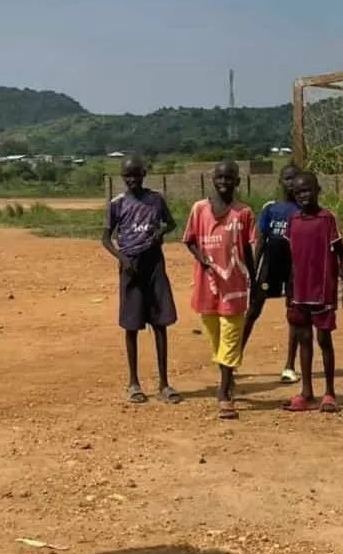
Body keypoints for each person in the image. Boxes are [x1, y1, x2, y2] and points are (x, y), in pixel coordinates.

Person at [101, 156, 180, 404]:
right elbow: (105, 238)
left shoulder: (156, 199)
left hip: (154, 264)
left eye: (136, 174)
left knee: (160, 323)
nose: (132, 179)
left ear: (144, 174)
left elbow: (172, 223)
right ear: (122, 177)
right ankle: (134, 383)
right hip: (131, 267)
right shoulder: (117, 204)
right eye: (127, 176)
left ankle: (164, 383)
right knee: (132, 325)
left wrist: (159, 233)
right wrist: (122, 259)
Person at [182, 160, 255, 419]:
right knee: (215, 338)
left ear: (237, 182)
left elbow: (247, 249)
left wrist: (254, 282)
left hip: (235, 287)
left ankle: (224, 392)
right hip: (207, 286)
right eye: (220, 177)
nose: (224, 182)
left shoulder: (243, 212)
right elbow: (189, 240)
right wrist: (201, 257)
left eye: (229, 178)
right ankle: (227, 373)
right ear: (213, 180)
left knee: (231, 336)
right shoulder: (199, 209)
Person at [280, 171, 343, 412]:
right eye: (300, 191)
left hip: (322, 291)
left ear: (317, 191)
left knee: (324, 340)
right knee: (304, 339)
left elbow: (341, 255)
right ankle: (306, 392)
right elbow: (288, 258)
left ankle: (330, 392)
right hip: (299, 292)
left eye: (308, 190)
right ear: (294, 194)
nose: (304, 195)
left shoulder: (327, 219)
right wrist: (288, 289)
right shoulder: (293, 221)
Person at [242, 164, 300, 382]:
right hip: (269, 266)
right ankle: (234, 358)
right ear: (280, 181)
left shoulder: (302, 210)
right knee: (253, 310)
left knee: (293, 314)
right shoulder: (270, 208)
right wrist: (254, 272)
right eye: (287, 179)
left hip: (292, 268)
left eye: (295, 178)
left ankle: (289, 366)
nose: (291, 183)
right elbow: (260, 241)